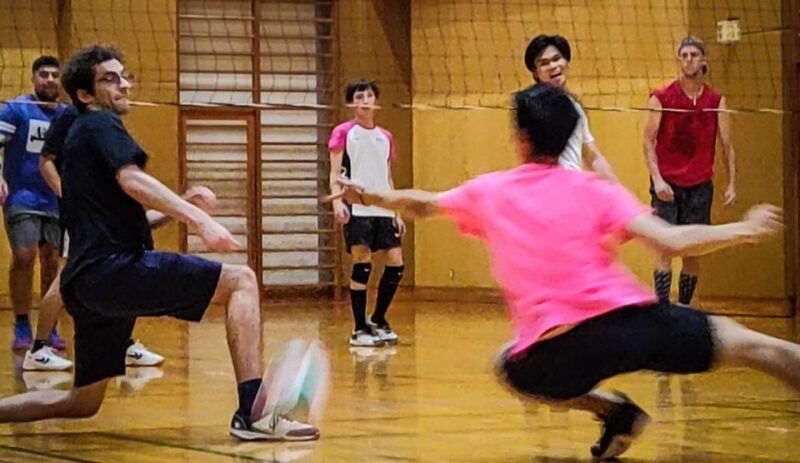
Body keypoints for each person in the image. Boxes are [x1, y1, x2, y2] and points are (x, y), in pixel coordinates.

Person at [331, 83, 793, 460]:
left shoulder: (492, 191)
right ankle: (619, 417)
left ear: (521, 140)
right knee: (761, 348)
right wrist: (745, 229)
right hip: (636, 325)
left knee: (507, 365)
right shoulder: (595, 189)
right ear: (569, 138)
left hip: (557, 350)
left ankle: (611, 411)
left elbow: (423, 205)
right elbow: (671, 242)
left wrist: (367, 195)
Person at [0, 45, 319, 442]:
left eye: (124, 76)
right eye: (109, 79)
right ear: (85, 95)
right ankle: (253, 414)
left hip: (85, 284)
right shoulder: (99, 123)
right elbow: (132, 179)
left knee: (81, 402)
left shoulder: (81, 142)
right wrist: (200, 220)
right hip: (113, 270)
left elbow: (124, 216)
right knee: (242, 281)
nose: (123, 85)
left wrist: (181, 205)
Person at [22, 105, 164, 371]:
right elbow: (46, 162)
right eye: (112, 82)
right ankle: (39, 348)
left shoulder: (107, 120)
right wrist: (71, 196)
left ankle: (122, 344)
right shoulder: (70, 115)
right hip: (82, 217)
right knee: (65, 279)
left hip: (105, 216)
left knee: (124, 275)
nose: (122, 87)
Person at [643, 36, 736, 305]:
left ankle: (684, 307)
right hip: (668, 185)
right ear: (678, 60)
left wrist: (732, 182)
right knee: (663, 247)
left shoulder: (715, 100)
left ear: (703, 60)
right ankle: (662, 308)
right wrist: (657, 179)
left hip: (699, 185)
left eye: (694, 55)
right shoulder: (662, 97)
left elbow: (727, 145)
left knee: (693, 252)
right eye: (683, 55)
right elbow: (647, 141)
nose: (688, 60)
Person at [328, 79, 404, 347]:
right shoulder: (343, 132)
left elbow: (387, 176)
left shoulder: (385, 136)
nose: (365, 100)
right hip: (357, 207)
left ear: (375, 100)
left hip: (383, 208)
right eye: (359, 96)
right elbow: (335, 174)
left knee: (396, 264)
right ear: (352, 102)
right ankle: (359, 329)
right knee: (362, 264)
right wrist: (337, 202)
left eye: (369, 95)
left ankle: (378, 319)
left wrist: (396, 211)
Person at [0, 55, 66, 350]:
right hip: (22, 196)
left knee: (52, 261)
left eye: (55, 75)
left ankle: (48, 327)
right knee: (24, 256)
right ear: (33, 78)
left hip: (56, 198)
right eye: (44, 74)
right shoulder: (17, 109)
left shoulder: (66, 115)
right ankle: (22, 324)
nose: (50, 80)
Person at [524, 34, 618, 182]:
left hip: (571, 187)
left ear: (566, 62)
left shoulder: (573, 106)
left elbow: (592, 156)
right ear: (535, 72)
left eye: (557, 59)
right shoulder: (532, 107)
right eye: (544, 63)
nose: (553, 66)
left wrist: (618, 190)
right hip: (548, 187)